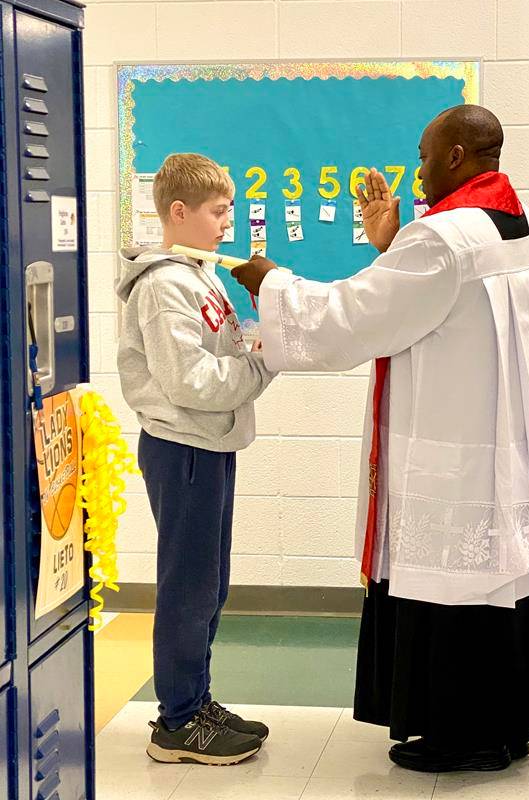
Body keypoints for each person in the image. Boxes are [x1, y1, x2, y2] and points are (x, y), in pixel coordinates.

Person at [231, 106, 529, 773]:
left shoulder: (442, 238)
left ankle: (464, 735)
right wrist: (393, 240)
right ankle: (504, 727)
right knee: (501, 583)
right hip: (499, 439)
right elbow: (433, 302)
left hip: (453, 443)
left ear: (454, 155)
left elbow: (355, 318)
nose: (416, 166)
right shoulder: (511, 218)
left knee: (457, 582)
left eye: (423, 153)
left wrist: (271, 284)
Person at [116, 153, 277, 765]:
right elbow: (192, 383)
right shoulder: (162, 285)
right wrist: (262, 364)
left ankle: (196, 700)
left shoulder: (199, 273)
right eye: (218, 210)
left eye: (230, 208)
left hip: (210, 443)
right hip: (182, 445)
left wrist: (257, 348)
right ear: (178, 212)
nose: (227, 221)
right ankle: (177, 723)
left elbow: (223, 354)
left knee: (209, 584)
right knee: (189, 588)